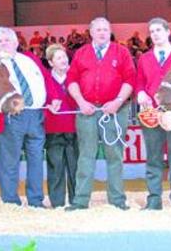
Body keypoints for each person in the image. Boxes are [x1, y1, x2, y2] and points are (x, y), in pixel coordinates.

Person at [65, 17, 136, 211]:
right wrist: (80, 101)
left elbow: (130, 79)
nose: (102, 32)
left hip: (115, 111)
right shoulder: (81, 53)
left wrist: (118, 101)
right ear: (91, 32)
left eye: (105, 29)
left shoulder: (121, 52)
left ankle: (117, 200)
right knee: (86, 155)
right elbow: (71, 79)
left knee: (115, 155)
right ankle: (80, 201)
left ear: (110, 31)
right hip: (87, 110)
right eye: (98, 30)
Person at [136, 17, 171, 211]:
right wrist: (140, 92)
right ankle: (154, 199)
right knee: (153, 157)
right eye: (152, 32)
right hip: (150, 113)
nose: (155, 34)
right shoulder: (144, 58)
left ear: (168, 31)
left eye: (159, 30)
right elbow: (139, 81)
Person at [0, 27, 48, 208]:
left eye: (7, 40)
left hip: (36, 114)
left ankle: (36, 200)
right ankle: (10, 202)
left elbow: (45, 79)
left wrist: (54, 99)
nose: (3, 44)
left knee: (37, 160)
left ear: (16, 42)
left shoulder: (29, 60)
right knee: (10, 161)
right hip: (11, 116)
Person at [43, 44, 79, 208]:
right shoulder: (45, 79)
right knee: (55, 166)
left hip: (75, 129)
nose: (63, 60)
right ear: (51, 62)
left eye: (64, 56)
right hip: (53, 129)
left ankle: (76, 200)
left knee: (75, 167)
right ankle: (57, 202)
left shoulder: (75, 76)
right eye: (59, 57)